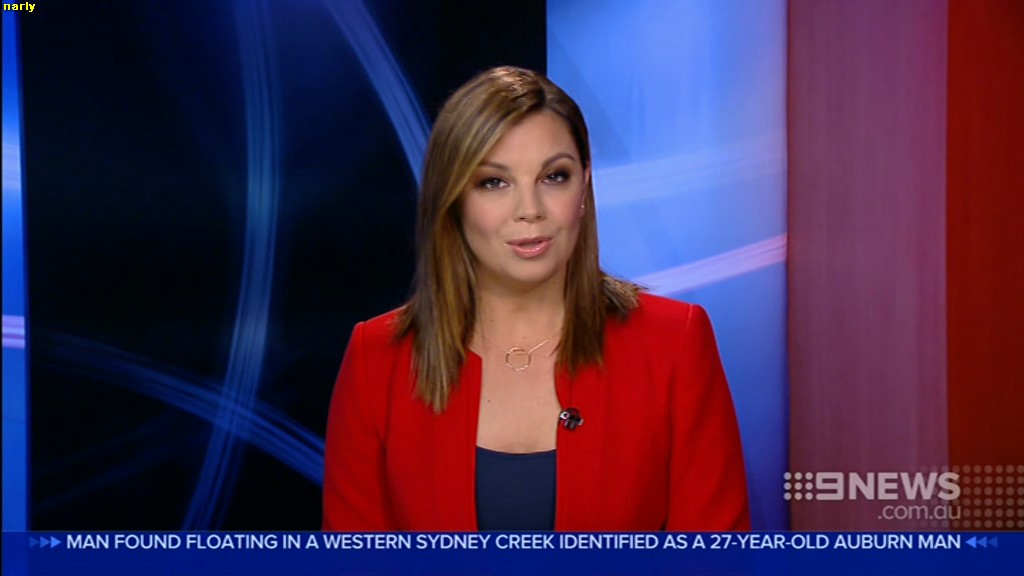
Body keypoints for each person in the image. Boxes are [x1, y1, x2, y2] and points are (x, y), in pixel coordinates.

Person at [322, 66, 749, 531]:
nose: (530, 210)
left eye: (554, 177)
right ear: (453, 199)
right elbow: (354, 557)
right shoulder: (377, 358)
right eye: (493, 182)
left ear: (584, 185)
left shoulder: (674, 342)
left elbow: (714, 554)